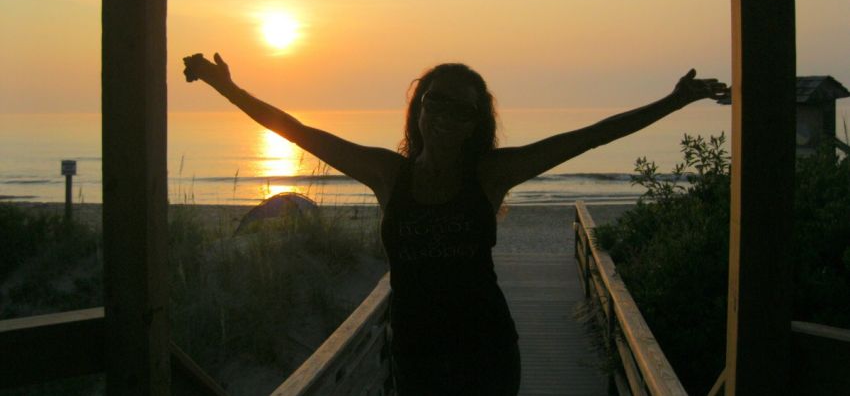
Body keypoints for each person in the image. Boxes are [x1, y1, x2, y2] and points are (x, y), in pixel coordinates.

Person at [182, 53, 729, 395]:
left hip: (486, 354)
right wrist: (225, 87)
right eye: (435, 102)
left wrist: (673, 102)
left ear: (475, 123)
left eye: (461, 110)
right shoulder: (388, 174)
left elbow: (589, 137)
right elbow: (298, 131)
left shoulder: (490, 175)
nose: (444, 116)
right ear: (418, 108)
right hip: (415, 356)